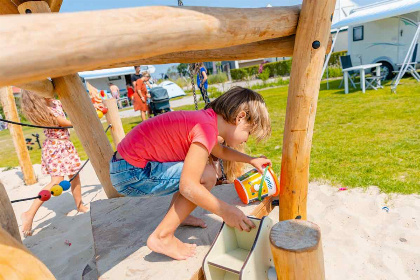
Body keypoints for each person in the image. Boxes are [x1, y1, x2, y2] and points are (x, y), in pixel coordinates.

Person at [109, 87, 271, 260]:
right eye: (248, 132)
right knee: (207, 175)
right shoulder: (206, 129)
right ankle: (162, 236)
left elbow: (220, 151)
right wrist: (227, 211)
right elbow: (188, 185)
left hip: (125, 166)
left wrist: (251, 160)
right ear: (240, 117)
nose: (246, 138)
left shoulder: (207, 120)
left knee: (199, 171)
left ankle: (178, 216)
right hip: (131, 172)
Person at [20, 90, 88, 237]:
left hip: (66, 145)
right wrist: (84, 119)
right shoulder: (43, 110)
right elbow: (65, 123)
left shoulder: (55, 102)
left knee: (74, 175)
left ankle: (79, 205)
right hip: (55, 147)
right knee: (57, 181)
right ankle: (29, 213)